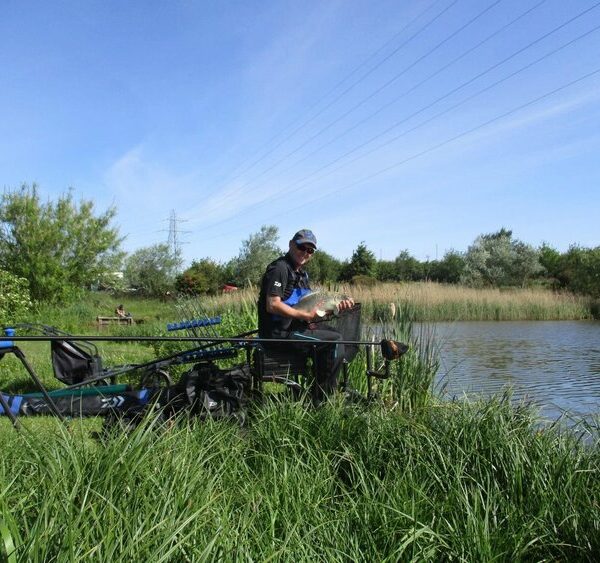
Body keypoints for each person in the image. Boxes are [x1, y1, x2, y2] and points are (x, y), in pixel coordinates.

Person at [257, 229, 354, 404]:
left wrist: (334, 308)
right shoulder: (279, 268)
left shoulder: (302, 275)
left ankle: (316, 391)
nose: (306, 253)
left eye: (310, 251)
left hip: (295, 328)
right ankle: (321, 401)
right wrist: (302, 314)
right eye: (302, 247)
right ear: (291, 245)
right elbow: (272, 304)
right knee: (334, 341)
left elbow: (312, 312)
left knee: (334, 334)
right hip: (278, 335)